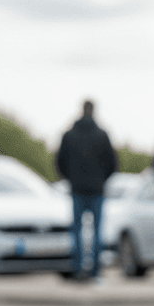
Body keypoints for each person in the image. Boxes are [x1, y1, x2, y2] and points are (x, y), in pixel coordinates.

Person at [55, 100, 117, 283]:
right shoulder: (102, 135)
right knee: (97, 233)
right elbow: (113, 164)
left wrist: (72, 179)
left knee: (77, 232)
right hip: (97, 190)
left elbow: (60, 162)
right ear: (94, 111)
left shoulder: (69, 135)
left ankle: (78, 269)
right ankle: (96, 271)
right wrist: (101, 179)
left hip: (77, 190)